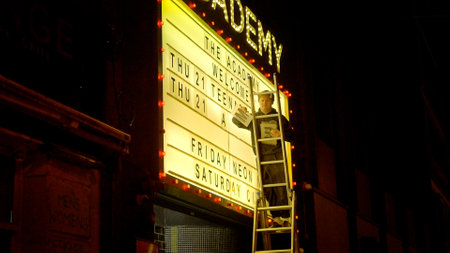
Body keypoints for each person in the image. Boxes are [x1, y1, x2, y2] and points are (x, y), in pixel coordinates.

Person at [232, 91, 294, 226]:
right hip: (261, 157)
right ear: (258, 102)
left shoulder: (279, 118)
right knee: (267, 188)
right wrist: (241, 111)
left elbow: (292, 135)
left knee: (279, 186)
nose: (264, 103)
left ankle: (285, 217)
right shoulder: (254, 118)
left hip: (276, 156)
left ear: (271, 102)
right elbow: (236, 121)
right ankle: (276, 218)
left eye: (266, 100)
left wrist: (280, 133)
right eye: (261, 101)